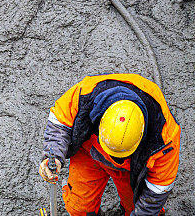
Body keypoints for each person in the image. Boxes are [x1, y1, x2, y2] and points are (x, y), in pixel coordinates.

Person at [39, 73, 180, 216]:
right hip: (90, 152)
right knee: (79, 209)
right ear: (100, 120)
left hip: (130, 168)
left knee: (138, 209)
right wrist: (54, 154)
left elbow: (157, 190)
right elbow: (59, 122)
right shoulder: (84, 94)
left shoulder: (164, 140)